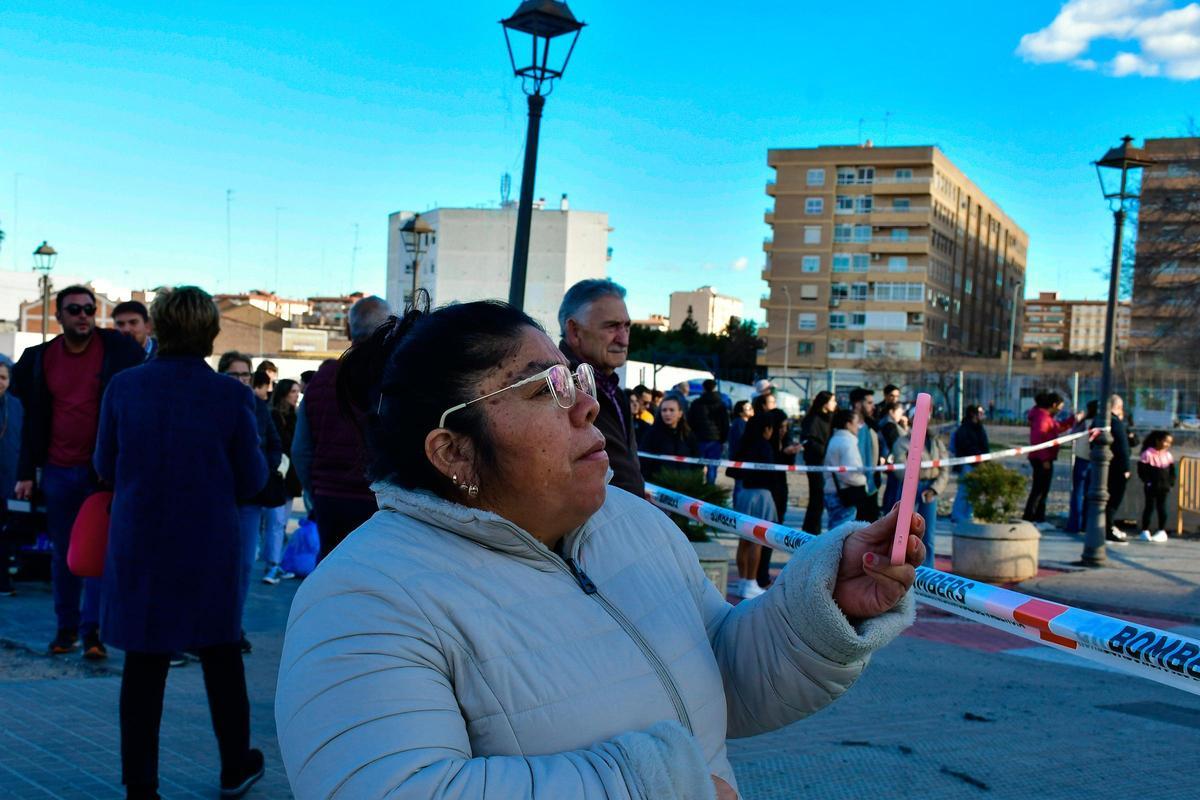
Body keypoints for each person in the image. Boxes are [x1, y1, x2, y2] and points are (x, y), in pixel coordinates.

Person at [275, 299, 923, 799]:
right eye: (541, 390)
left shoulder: (631, 525)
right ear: (453, 451)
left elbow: (718, 675)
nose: (584, 406)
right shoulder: (363, 598)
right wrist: (655, 787)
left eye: (574, 379)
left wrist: (825, 605)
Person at [95, 286, 268, 800]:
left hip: (141, 540)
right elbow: (253, 479)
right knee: (221, 656)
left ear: (157, 328)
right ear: (211, 333)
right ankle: (235, 765)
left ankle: (141, 785)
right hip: (208, 544)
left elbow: (104, 466)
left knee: (144, 665)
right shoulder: (232, 395)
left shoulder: (124, 388)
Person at [11, 285, 144, 657]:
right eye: (75, 310)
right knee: (64, 555)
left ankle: (93, 633)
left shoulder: (118, 350)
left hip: (101, 473)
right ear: (60, 316)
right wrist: (25, 471)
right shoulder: (40, 358)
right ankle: (66, 629)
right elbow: (31, 420)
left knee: (97, 552)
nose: (83, 315)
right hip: (57, 470)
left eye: (89, 309)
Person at [291, 295, 392, 561]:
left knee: (330, 574)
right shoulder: (395, 377)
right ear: (391, 330)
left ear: (348, 330)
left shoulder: (322, 378)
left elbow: (301, 450)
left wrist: (314, 491)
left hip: (329, 500)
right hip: (383, 501)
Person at [218, 351, 282, 652]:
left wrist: (260, 469)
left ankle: (233, 625)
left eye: (246, 375)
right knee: (215, 565)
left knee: (244, 564)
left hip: (250, 499)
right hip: (217, 499)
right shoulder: (212, 405)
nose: (242, 381)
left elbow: (274, 445)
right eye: (236, 375)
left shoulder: (257, 406)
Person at [557, 279, 643, 496]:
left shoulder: (614, 390)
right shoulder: (559, 389)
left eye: (627, 326)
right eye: (612, 326)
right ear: (574, 331)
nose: (624, 339)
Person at [726, 413, 778, 599]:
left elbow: (732, 470)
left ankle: (743, 582)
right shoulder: (765, 446)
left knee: (743, 540)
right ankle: (751, 582)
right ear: (766, 429)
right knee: (757, 540)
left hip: (745, 493)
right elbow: (772, 474)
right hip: (761, 494)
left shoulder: (744, 444)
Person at [1023, 392, 1083, 527]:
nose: (1060, 410)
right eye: (1060, 407)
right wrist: (1044, 459)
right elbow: (1039, 439)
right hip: (1041, 459)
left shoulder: (1045, 417)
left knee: (1042, 489)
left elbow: (1057, 427)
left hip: (1043, 457)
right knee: (1039, 490)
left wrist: (1072, 420)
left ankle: (1038, 518)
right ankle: (1031, 518)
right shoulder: (1042, 418)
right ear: (1054, 405)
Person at [263, 379, 302, 585]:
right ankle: (273, 565)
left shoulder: (295, 416)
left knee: (282, 522)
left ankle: (276, 563)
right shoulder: (276, 417)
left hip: (290, 476)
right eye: (293, 392)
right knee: (277, 523)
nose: (297, 395)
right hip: (280, 475)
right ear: (285, 394)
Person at [891, 431, 949, 567]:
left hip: (930, 486)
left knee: (928, 533)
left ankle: (928, 569)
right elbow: (899, 467)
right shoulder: (902, 442)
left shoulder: (936, 442)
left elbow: (944, 468)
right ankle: (900, 564)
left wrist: (935, 489)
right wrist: (911, 478)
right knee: (901, 530)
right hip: (909, 485)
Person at [0, 362, 24, 596]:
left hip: (8, 478)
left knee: (6, 531)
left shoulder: (16, 406)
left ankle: (4, 579)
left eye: (3, 377)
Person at [824, 409, 869, 528]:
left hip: (832, 491)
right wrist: (863, 481)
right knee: (842, 537)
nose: (858, 427)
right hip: (844, 494)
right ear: (848, 424)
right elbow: (849, 473)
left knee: (834, 533)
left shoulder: (835, 439)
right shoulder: (847, 443)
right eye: (856, 422)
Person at [639, 397, 701, 484]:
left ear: (680, 413)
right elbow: (644, 461)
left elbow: (696, 460)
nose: (667, 413)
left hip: (685, 485)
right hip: (660, 485)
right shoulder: (652, 434)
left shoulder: (688, 435)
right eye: (664, 410)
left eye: (671, 410)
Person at [799, 391, 836, 534]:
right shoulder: (813, 419)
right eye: (832, 401)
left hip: (825, 464)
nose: (835, 404)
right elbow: (810, 442)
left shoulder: (829, 418)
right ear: (824, 403)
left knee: (819, 499)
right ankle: (811, 530)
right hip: (816, 463)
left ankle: (812, 529)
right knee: (817, 498)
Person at [950, 404, 990, 524]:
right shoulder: (964, 429)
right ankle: (957, 516)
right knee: (964, 491)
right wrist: (979, 457)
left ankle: (968, 515)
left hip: (978, 464)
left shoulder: (979, 428)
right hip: (968, 465)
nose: (982, 415)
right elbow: (966, 446)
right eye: (980, 413)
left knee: (973, 492)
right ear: (973, 414)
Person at [1064, 400, 1097, 534]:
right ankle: (1086, 524)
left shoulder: (1084, 422)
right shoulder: (1100, 423)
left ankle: (1074, 524)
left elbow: (1072, 434)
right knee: (1091, 494)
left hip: (1081, 458)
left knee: (1078, 492)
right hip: (1094, 460)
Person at [688, 379, 730, 485]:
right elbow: (725, 424)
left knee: (697, 465)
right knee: (712, 467)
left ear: (703, 388)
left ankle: (696, 488)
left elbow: (690, 421)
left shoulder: (696, 403)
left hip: (699, 439)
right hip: (715, 440)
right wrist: (723, 439)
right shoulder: (721, 404)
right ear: (715, 388)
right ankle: (710, 489)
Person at [849, 387, 881, 522]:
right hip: (855, 485)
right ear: (857, 404)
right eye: (869, 403)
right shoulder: (847, 426)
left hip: (871, 483)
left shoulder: (870, 424)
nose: (872, 406)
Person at [1137, 430, 1175, 542]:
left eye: (1170, 442)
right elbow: (1142, 471)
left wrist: (1171, 483)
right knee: (1149, 507)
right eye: (1165, 441)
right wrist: (1147, 482)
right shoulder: (1147, 454)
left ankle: (1161, 530)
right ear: (1158, 441)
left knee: (1162, 508)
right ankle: (1145, 530)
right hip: (1151, 486)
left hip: (1164, 487)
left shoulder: (1168, 455)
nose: (1167, 444)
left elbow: (1172, 472)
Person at [1104, 394, 1132, 543]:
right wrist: (1126, 468)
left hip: (1106, 465)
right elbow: (1123, 447)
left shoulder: (1102, 420)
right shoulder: (1116, 423)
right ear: (1119, 407)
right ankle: (1108, 528)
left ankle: (1105, 527)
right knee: (1113, 499)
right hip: (1116, 467)